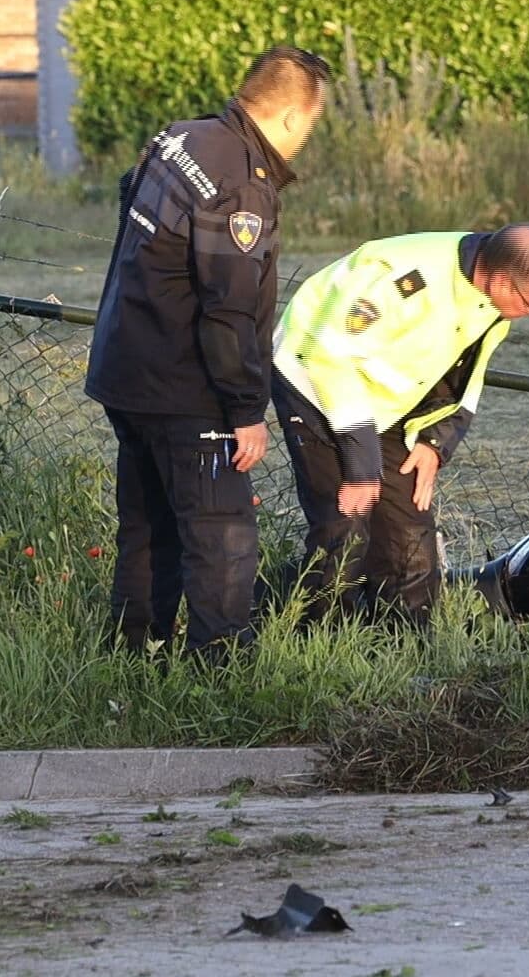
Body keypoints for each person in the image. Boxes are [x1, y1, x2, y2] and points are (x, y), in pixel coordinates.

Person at [85, 45, 332, 658]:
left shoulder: (180, 138)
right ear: (291, 118)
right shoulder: (242, 188)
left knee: (148, 529)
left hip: (124, 369)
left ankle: (132, 655)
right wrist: (247, 410)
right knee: (221, 534)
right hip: (189, 391)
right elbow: (228, 309)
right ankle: (219, 672)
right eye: (313, 122)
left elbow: (130, 211)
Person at [269, 224, 529, 627]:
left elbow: (465, 375)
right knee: (346, 525)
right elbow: (332, 356)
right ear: (499, 280)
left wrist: (434, 441)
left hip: (387, 403)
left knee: (410, 533)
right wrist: (361, 464)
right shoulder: (404, 278)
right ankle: (319, 644)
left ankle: (409, 644)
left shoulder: (493, 302)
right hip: (314, 380)